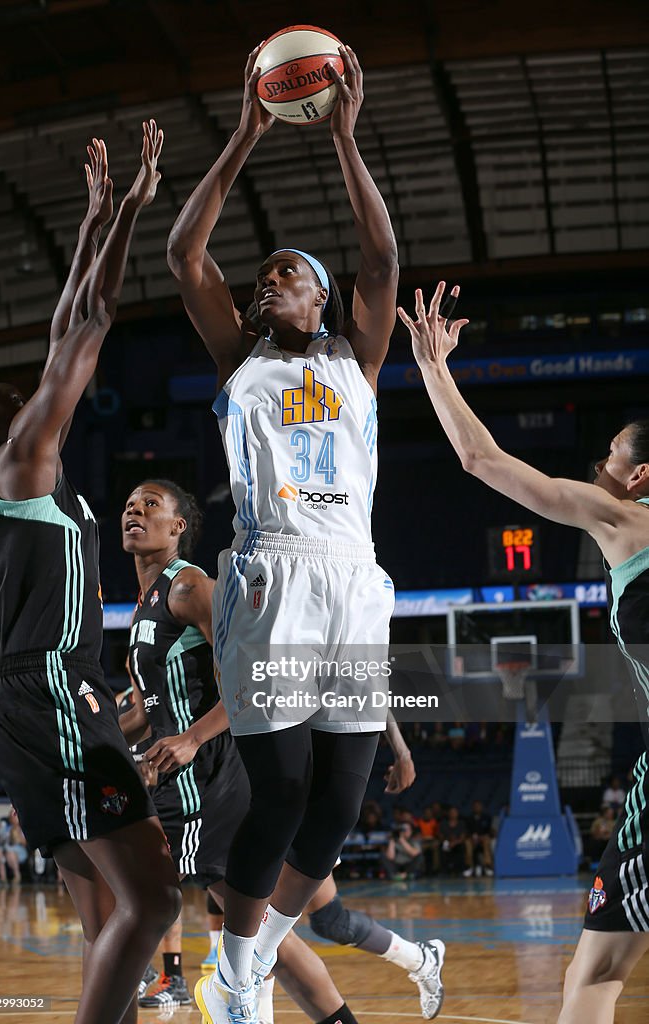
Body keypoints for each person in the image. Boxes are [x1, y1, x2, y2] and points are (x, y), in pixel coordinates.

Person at [168, 39, 444, 1024]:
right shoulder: (239, 358)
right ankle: (240, 974)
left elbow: (382, 257)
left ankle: (253, 954)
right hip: (271, 576)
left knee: (335, 807)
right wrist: (245, 131)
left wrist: (344, 137)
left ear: (318, 296)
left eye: (284, 274)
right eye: (260, 277)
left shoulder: (355, 358)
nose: (262, 282)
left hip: (352, 580)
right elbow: (182, 255)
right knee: (279, 792)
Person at [0, 123, 182, 1024]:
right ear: (15, 421)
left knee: (106, 912)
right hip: (47, 685)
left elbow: (72, 322)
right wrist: (124, 214)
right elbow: (86, 326)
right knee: (158, 899)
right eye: (40, 392)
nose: (58, 383)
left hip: (49, 688)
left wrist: (99, 220)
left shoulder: (30, 483)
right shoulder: (21, 466)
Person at [398, 279, 649, 1023]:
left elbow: (483, 460)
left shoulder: (623, 520)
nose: (597, 467)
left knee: (595, 971)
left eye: (608, 456)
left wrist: (434, 367)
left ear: (637, 477)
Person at [120, 479, 444, 1021]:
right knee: (269, 929)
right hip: (197, 775)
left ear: (178, 527)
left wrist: (193, 737)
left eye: (150, 505)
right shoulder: (143, 607)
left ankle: (186, 983)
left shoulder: (191, 587)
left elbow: (254, 676)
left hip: (218, 774)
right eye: (129, 505)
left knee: (266, 925)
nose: (135, 511)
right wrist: (90, 740)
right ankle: (226, 992)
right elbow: (141, 711)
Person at [463, 799, 494, 877]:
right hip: (472, 840)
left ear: (481, 807)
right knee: (467, 843)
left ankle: (488, 867)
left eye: (478, 806)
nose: (477, 808)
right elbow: (467, 831)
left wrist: (482, 837)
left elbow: (489, 831)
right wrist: (473, 838)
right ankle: (469, 867)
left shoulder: (487, 817)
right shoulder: (468, 818)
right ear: (472, 808)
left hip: (483, 839)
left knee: (486, 841)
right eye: (475, 806)